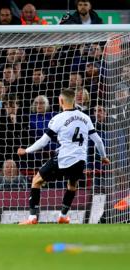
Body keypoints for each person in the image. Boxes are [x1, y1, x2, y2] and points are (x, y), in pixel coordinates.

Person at [17, 88, 110, 225]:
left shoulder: (58, 118)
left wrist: (26, 151)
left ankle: (32, 219)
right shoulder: (86, 118)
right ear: (73, 101)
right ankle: (62, 216)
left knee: (36, 181)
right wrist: (103, 157)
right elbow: (98, 141)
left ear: (61, 101)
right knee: (72, 185)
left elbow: (43, 142)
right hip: (80, 160)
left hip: (63, 158)